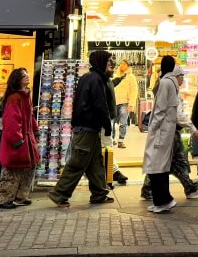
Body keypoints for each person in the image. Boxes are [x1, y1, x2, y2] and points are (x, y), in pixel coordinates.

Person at [48, 50, 114, 208]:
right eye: (109, 61)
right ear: (100, 61)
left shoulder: (88, 77)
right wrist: (107, 125)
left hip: (87, 128)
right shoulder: (96, 79)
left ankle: (99, 193)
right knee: (77, 162)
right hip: (87, 128)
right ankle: (59, 193)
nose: (112, 64)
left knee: (95, 163)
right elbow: (100, 105)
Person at [0, 68, 39, 209]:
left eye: (27, 74)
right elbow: (12, 122)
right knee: (11, 171)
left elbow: (29, 116)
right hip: (17, 142)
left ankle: (20, 196)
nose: (27, 77)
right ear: (17, 80)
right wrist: (17, 140)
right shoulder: (15, 98)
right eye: (24, 76)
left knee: (27, 168)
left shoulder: (24, 96)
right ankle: (3, 199)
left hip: (26, 140)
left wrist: (35, 130)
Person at [142, 56, 181, 213]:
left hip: (161, 131)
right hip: (166, 130)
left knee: (155, 165)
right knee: (159, 165)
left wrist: (152, 127)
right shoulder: (171, 82)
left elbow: (160, 109)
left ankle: (164, 200)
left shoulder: (166, 82)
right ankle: (160, 201)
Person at [103, 57, 129, 185]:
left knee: (105, 148)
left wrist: (119, 79)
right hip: (101, 123)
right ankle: (113, 173)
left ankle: (112, 174)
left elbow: (111, 84)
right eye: (110, 67)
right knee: (107, 147)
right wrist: (106, 123)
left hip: (104, 121)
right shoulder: (98, 81)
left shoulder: (106, 80)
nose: (114, 69)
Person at [112, 59, 139, 149]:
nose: (121, 65)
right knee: (111, 122)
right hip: (114, 102)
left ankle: (121, 141)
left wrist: (131, 104)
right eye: (120, 64)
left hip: (125, 103)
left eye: (124, 64)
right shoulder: (115, 76)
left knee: (123, 123)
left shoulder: (131, 77)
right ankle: (112, 139)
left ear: (128, 66)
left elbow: (134, 91)